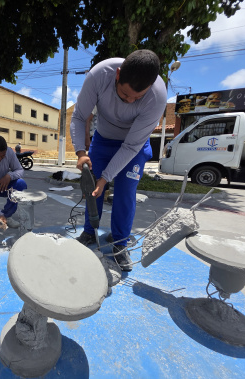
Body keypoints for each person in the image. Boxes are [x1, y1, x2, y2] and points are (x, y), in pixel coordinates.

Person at [70, 49, 166, 271]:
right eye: (124, 95)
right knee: (93, 188)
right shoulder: (98, 75)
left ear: (150, 87)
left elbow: (131, 146)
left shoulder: (158, 97)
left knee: (125, 192)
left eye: (137, 98)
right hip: (103, 140)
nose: (129, 101)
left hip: (134, 145)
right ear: (118, 75)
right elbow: (79, 116)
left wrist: (106, 178)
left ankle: (120, 244)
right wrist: (81, 152)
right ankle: (89, 232)